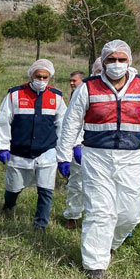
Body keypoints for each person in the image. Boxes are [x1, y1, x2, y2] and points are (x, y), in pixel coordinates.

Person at [57, 40, 140, 279]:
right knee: (100, 211)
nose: (117, 64)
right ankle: (94, 265)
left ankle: (110, 244)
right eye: (111, 59)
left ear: (129, 61)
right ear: (103, 61)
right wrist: (64, 155)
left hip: (131, 158)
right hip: (96, 157)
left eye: (121, 59)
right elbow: (70, 124)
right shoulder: (88, 88)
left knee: (130, 215)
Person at [0, 59, 66, 232]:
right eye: (38, 76)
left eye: (45, 77)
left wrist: (64, 153)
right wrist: (3, 147)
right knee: (13, 187)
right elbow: (4, 121)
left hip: (46, 152)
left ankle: (40, 224)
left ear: (50, 77)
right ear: (31, 75)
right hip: (19, 151)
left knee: (46, 191)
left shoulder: (56, 97)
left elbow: (63, 125)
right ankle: (9, 205)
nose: (41, 80)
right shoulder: (15, 95)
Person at [62, 70, 86, 229]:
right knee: (76, 183)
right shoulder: (73, 97)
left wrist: (80, 142)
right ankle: (73, 215)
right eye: (70, 80)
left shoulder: (88, 94)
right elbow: (70, 124)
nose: (71, 83)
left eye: (74, 81)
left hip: (92, 145)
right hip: (77, 147)